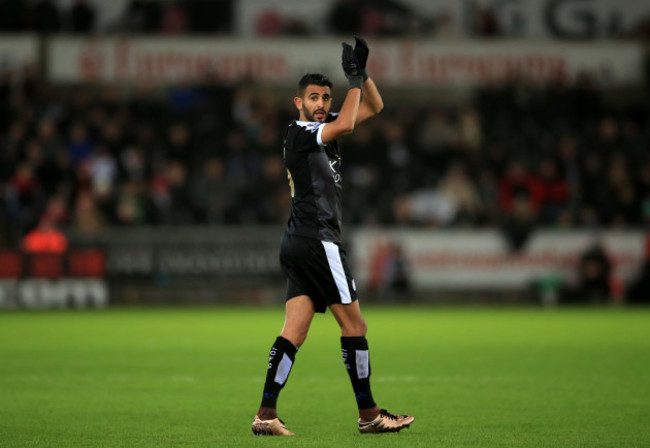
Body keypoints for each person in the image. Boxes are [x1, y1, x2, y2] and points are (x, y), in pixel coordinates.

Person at [251, 37, 414, 436]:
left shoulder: (323, 128)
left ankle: (266, 414)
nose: (321, 103)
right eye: (313, 97)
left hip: (298, 242)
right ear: (298, 103)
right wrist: (352, 81)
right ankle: (370, 415)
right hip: (318, 240)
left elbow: (373, 108)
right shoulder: (301, 131)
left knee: (295, 331)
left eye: (326, 97)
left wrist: (362, 75)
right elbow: (348, 122)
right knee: (355, 327)